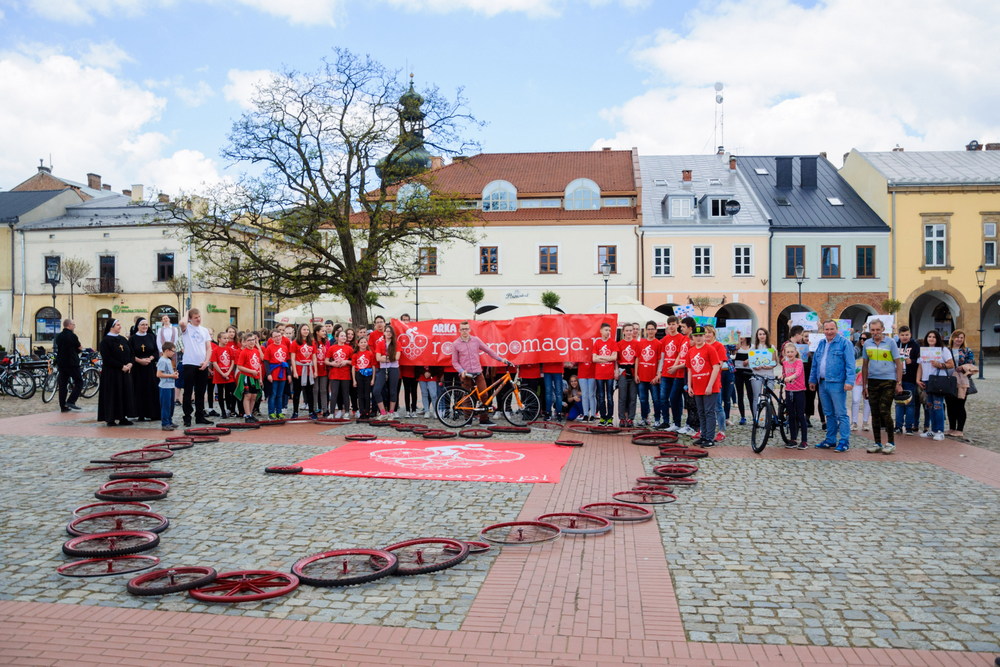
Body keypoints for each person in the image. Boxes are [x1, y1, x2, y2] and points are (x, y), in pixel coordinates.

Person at [808, 319, 856, 452]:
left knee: (841, 413)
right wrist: (812, 380)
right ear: (823, 330)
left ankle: (844, 441)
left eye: (831, 329)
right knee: (828, 413)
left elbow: (850, 364)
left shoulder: (845, 343)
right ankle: (830, 439)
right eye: (826, 329)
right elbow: (815, 363)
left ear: (837, 329)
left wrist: (849, 381)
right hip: (822, 383)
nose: (829, 332)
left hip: (837, 383)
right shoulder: (822, 344)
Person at [450, 320, 510, 426]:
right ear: (459, 330)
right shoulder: (455, 344)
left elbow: (488, 350)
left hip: (478, 372)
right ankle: (467, 419)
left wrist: (501, 359)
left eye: (466, 329)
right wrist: (461, 371)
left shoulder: (476, 340)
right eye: (462, 329)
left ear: (470, 329)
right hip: (466, 374)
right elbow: (454, 361)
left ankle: (484, 419)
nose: (465, 331)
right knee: (467, 397)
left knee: (485, 395)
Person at [861, 318, 903, 455]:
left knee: (885, 410)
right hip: (873, 381)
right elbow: (865, 365)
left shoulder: (890, 342)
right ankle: (877, 442)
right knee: (875, 412)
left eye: (878, 330)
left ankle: (891, 442)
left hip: (888, 381)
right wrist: (864, 385)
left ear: (883, 329)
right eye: (872, 330)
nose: (875, 333)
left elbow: (898, 363)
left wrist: (899, 383)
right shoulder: (867, 343)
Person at [682, 326, 721, 447]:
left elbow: (716, 367)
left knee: (709, 412)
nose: (698, 338)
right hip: (697, 386)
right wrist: (689, 385)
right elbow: (689, 369)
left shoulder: (710, 349)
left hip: (709, 387)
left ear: (704, 336)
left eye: (701, 335)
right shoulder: (691, 351)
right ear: (692, 337)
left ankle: (709, 437)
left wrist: (710, 385)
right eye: (696, 336)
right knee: (701, 412)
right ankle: (703, 435)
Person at [177, 308, 214, 427]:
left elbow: (208, 348)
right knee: (188, 391)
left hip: (201, 364)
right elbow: (181, 323)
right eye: (195, 317)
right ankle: (187, 416)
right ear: (190, 318)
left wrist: (206, 362)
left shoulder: (204, 330)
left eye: (199, 317)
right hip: (189, 363)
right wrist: (187, 312)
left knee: (200, 391)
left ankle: (200, 415)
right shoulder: (187, 328)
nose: (198, 319)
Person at [97, 318, 135, 426]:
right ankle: (111, 418)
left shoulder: (123, 339)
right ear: (111, 327)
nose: (120, 326)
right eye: (118, 325)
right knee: (113, 395)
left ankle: (123, 417)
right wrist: (120, 366)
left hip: (125, 372)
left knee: (124, 394)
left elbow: (132, 353)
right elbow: (107, 358)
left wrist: (130, 363)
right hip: (112, 373)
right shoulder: (105, 341)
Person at [917, 330, 953, 441]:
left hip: (938, 380)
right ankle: (932, 430)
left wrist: (940, 365)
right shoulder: (923, 351)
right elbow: (920, 366)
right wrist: (918, 379)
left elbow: (951, 364)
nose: (931, 338)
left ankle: (940, 431)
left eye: (933, 337)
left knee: (938, 405)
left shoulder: (943, 350)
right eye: (929, 336)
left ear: (937, 339)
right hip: (926, 380)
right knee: (929, 406)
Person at [945, 329, 977, 440]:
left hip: (962, 381)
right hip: (949, 380)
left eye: (961, 337)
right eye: (957, 337)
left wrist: (963, 367)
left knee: (960, 405)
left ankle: (960, 430)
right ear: (952, 338)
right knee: (950, 405)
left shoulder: (967, 350)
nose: (959, 339)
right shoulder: (946, 350)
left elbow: (972, 364)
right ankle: (952, 428)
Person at [659, 316, 688, 433]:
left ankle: (678, 422)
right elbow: (662, 356)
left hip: (677, 373)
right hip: (666, 373)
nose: (671, 327)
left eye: (673, 324)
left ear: (677, 325)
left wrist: (675, 367)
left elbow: (681, 355)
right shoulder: (664, 339)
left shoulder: (682, 338)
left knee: (676, 399)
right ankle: (666, 421)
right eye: (669, 324)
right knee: (663, 398)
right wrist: (659, 371)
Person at [129, 318, 160, 422]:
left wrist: (150, 358)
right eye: (142, 325)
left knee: (151, 390)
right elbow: (130, 354)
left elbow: (156, 351)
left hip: (150, 368)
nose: (145, 326)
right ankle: (140, 414)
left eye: (146, 325)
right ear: (137, 326)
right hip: (137, 369)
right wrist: (139, 360)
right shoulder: (132, 338)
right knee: (139, 390)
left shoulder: (152, 336)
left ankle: (152, 413)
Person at [779, 341, 808, 449]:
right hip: (789, 391)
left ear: (796, 352)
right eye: (788, 352)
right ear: (785, 353)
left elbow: (798, 373)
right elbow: (785, 373)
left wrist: (790, 378)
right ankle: (793, 438)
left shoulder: (799, 362)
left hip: (799, 391)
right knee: (791, 415)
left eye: (792, 351)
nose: (790, 354)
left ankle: (804, 440)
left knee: (800, 415)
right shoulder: (785, 363)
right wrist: (782, 376)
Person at [894, 325, 921, 435]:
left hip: (910, 378)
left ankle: (909, 427)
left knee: (910, 404)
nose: (904, 337)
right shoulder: (895, 345)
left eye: (907, 335)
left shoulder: (915, 346)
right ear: (899, 335)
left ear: (910, 335)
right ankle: (898, 426)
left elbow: (920, 361)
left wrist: (912, 361)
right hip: (897, 379)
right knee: (898, 403)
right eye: (902, 335)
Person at [635, 321, 662, 427]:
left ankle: (657, 419)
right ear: (646, 330)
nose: (650, 331)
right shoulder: (641, 343)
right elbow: (637, 358)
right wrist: (636, 374)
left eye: (652, 329)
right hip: (642, 377)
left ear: (656, 330)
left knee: (656, 399)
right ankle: (644, 418)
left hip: (653, 378)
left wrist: (657, 375)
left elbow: (660, 360)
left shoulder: (658, 344)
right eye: (648, 329)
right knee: (642, 399)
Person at [591, 322, 618, 426]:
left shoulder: (613, 342)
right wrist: (608, 358)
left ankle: (610, 418)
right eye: (606, 330)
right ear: (601, 331)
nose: (608, 332)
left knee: (610, 397)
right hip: (599, 374)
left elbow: (614, 357)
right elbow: (593, 358)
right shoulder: (597, 343)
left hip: (609, 374)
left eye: (609, 330)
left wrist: (600, 358)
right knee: (601, 396)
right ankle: (603, 418)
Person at [53, 318, 83, 412]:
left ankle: (63, 406)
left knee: (63, 385)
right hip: (72, 362)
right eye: (73, 324)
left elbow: (59, 347)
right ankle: (71, 401)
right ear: (69, 325)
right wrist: (79, 349)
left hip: (61, 363)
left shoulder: (59, 336)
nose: (74, 326)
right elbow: (79, 348)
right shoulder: (72, 336)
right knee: (79, 382)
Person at [234, 332, 264, 422]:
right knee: (247, 395)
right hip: (247, 376)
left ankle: (250, 414)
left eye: (253, 340)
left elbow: (258, 364)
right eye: (249, 340)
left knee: (254, 396)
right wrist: (251, 371)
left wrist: (260, 378)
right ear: (245, 342)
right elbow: (239, 366)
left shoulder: (256, 351)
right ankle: (247, 415)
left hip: (255, 377)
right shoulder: (244, 352)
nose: (251, 342)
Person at [374, 325, 402, 419]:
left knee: (393, 391)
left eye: (390, 331)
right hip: (382, 369)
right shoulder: (380, 343)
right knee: (376, 390)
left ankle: (391, 412)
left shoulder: (396, 343)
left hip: (393, 369)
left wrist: (384, 358)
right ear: (384, 333)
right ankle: (383, 412)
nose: (388, 333)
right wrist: (389, 358)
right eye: (386, 331)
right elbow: (378, 358)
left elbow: (397, 357)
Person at [749, 327, 777, 419]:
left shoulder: (771, 347)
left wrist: (770, 366)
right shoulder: (753, 347)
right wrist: (754, 366)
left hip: (769, 374)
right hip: (757, 375)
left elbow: (775, 362)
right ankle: (755, 418)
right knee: (756, 397)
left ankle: (768, 419)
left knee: (768, 397)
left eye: (763, 334)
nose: (762, 336)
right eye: (760, 334)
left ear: (766, 335)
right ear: (757, 336)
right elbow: (751, 362)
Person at [325, 329, 353, 419]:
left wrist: (346, 362)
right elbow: (326, 360)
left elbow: (353, 361)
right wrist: (332, 363)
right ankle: (332, 412)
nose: (343, 337)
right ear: (337, 338)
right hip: (334, 374)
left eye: (345, 336)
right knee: (334, 393)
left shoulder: (349, 348)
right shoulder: (332, 348)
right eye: (341, 336)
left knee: (345, 393)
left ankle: (347, 412)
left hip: (345, 374)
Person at [263, 328, 290, 419]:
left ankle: (279, 411)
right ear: (272, 338)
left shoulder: (284, 347)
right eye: (275, 337)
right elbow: (266, 362)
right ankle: (271, 412)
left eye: (279, 336)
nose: (278, 338)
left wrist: (288, 374)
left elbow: (287, 361)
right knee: (273, 394)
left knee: (280, 394)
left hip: (282, 373)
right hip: (273, 372)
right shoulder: (269, 348)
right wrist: (268, 374)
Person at [616, 323, 639, 427]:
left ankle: (630, 418)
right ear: (623, 331)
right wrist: (616, 371)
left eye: (631, 330)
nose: (629, 332)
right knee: (622, 397)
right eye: (627, 330)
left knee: (633, 397)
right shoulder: (619, 344)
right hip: (623, 373)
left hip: (633, 372)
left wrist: (637, 374)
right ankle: (621, 418)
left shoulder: (637, 344)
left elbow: (637, 359)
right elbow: (616, 359)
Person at [211, 331, 237, 420]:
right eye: (224, 338)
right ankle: (223, 411)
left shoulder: (230, 349)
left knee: (231, 392)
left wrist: (228, 372)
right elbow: (214, 363)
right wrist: (222, 373)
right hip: (219, 374)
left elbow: (232, 361)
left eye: (227, 338)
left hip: (229, 374)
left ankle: (230, 409)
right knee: (220, 393)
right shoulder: (215, 350)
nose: (226, 340)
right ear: (219, 339)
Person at [851, 333, 872, 431]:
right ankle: (854, 422)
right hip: (857, 379)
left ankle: (865, 422)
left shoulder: (872, 350)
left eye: (865, 338)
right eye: (861, 338)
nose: (862, 340)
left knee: (867, 400)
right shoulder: (856, 350)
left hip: (869, 379)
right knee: (855, 400)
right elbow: (850, 356)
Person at [156, 342, 180, 431]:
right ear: (166, 351)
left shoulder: (169, 360)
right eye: (172, 351)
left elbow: (168, 372)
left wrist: (174, 374)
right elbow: (159, 374)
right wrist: (171, 376)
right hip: (164, 386)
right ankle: (165, 423)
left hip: (170, 385)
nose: (174, 353)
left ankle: (169, 421)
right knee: (165, 405)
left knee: (171, 405)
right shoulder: (162, 360)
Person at [352, 336, 376, 419]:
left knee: (367, 394)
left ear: (367, 343)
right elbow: (353, 367)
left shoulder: (370, 353)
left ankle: (367, 411)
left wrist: (373, 378)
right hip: (359, 374)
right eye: (361, 342)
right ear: (358, 344)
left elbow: (373, 366)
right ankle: (361, 412)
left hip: (368, 375)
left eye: (364, 342)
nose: (363, 344)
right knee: (360, 394)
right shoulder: (355, 354)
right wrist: (354, 380)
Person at [732, 336, 753, 425]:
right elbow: (733, 354)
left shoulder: (752, 347)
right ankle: (742, 416)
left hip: (748, 372)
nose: (741, 337)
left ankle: (754, 415)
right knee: (740, 394)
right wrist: (738, 342)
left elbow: (755, 357)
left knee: (750, 395)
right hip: (738, 372)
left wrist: (748, 360)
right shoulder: (737, 347)